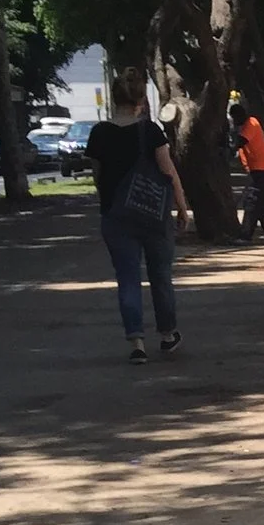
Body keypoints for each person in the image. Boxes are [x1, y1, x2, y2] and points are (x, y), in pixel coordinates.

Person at [85, 65, 190, 363]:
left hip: (116, 216)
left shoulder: (99, 133)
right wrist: (181, 206)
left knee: (127, 278)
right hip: (154, 214)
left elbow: (97, 176)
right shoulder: (151, 131)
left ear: (114, 98)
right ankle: (168, 335)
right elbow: (169, 172)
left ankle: (137, 343)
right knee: (161, 275)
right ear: (141, 100)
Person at [233, 96, 264, 243]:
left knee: (251, 201)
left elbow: (241, 141)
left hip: (259, 170)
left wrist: (227, 150)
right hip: (257, 169)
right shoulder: (246, 125)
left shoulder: (251, 123)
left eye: (234, 117)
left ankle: (245, 235)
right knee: (262, 205)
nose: (234, 121)